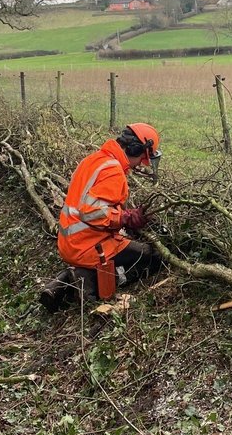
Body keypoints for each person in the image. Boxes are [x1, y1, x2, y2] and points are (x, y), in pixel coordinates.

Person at [39, 123, 164, 312]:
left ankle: (67, 279)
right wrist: (125, 218)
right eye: (142, 159)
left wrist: (123, 216)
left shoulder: (94, 160)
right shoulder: (113, 171)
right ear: (138, 149)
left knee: (131, 250)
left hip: (70, 242)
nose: (141, 164)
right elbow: (90, 212)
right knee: (153, 257)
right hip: (91, 245)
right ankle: (93, 285)